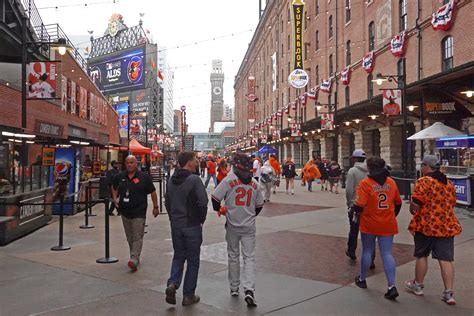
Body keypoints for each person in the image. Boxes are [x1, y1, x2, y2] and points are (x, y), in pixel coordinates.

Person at [405, 155, 462, 305]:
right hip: (446, 226)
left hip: (426, 225)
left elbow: (416, 203)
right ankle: (448, 293)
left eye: (422, 165)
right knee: (446, 259)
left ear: (426, 166)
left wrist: (413, 209)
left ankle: (418, 285)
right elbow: (453, 203)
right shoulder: (448, 183)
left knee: (421, 255)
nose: (421, 168)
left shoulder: (424, 181)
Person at [211, 153, 264, 307]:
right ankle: (249, 289)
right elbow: (259, 206)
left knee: (233, 256)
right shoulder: (255, 183)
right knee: (249, 258)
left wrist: (221, 209)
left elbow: (215, 199)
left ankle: (234, 288)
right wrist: (250, 215)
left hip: (232, 224)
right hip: (249, 226)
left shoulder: (229, 180)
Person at [352, 157, 402, 300]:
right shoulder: (391, 182)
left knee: (367, 250)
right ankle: (391, 285)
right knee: (387, 253)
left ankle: (362, 279)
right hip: (388, 222)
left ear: (369, 167)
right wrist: (392, 215)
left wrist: (354, 211)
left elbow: (360, 205)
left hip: (369, 222)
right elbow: (398, 202)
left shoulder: (366, 184)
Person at [164, 152, 208, 307]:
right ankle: (188, 295)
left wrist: (172, 218)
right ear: (189, 163)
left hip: (176, 224)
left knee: (178, 255)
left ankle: (173, 283)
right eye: (195, 160)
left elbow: (167, 202)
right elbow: (203, 203)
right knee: (193, 260)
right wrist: (200, 220)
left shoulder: (171, 180)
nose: (197, 163)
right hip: (192, 225)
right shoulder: (194, 180)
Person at [112, 155, 159, 272]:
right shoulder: (120, 176)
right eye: (127, 162)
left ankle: (134, 258)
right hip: (125, 211)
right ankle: (134, 256)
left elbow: (153, 192)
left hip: (139, 211)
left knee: (137, 235)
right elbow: (114, 187)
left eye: (131, 162)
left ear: (136, 163)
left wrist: (155, 206)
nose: (129, 165)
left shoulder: (144, 177)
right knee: (130, 237)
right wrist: (115, 199)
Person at [345, 149, 374, 267]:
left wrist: (349, 202)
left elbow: (349, 189)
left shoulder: (352, 171)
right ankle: (371, 257)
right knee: (370, 233)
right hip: (369, 206)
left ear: (355, 159)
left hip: (356, 205)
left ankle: (351, 251)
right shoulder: (371, 170)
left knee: (354, 229)